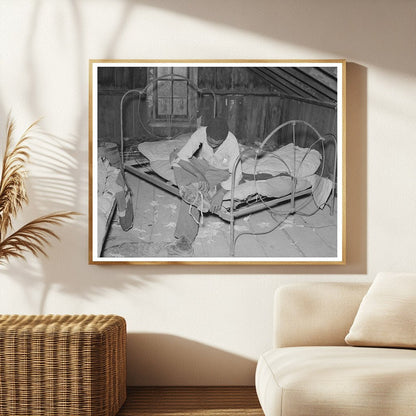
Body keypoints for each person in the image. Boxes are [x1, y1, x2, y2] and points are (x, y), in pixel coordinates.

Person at [166, 117, 242, 256]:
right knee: (175, 155)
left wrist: (221, 193)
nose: (212, 145)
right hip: (203, 166)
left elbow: (237, 174)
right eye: (210, 141)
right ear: (206, 133)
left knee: (190, 196)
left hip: (219, 172)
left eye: (217, 143)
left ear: (224, 139)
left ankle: (185, 241)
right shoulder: (201, 132)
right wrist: (199, 175)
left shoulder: (231, 142)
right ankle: (194, 190)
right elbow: (183, 156)